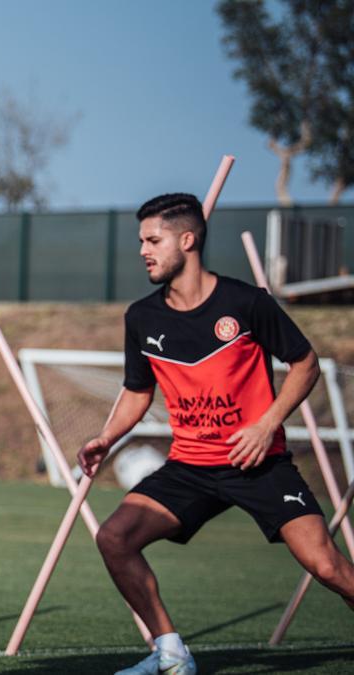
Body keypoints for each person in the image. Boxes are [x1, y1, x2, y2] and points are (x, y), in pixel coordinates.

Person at [78, 193, 354, 675]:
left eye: (153, 240)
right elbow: (137, 391)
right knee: (115, 537)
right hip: (190, 466)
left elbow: (304, 364)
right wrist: (109, 436)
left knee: (327, 566)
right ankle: (171, 654)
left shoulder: (246, 303)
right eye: (140, 240)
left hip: (259, 463)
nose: (143, 249)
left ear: (188, 240)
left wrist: (266, 424)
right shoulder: (142, 317)